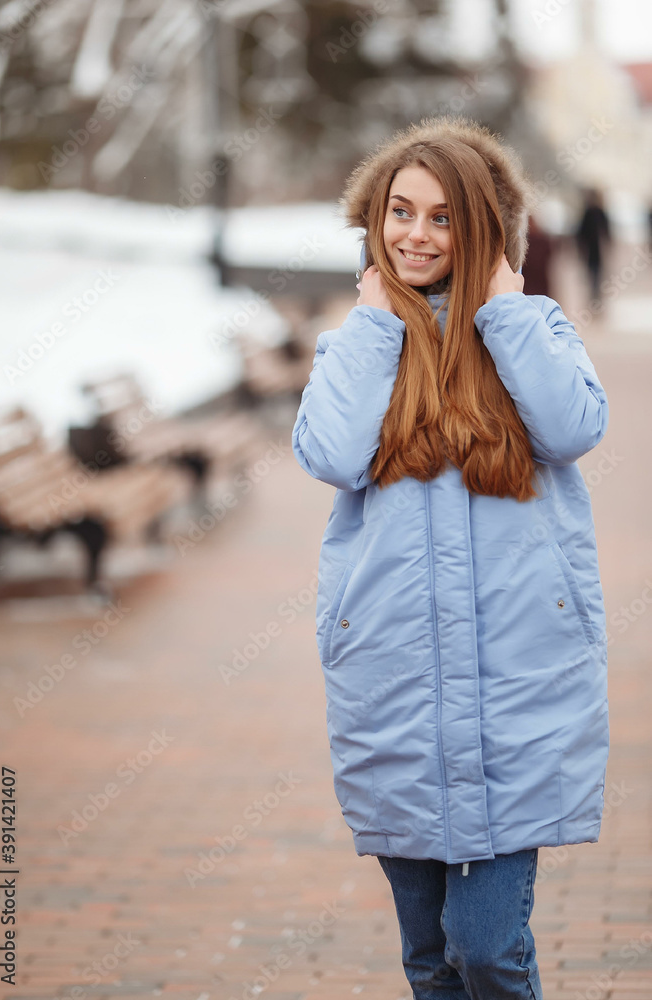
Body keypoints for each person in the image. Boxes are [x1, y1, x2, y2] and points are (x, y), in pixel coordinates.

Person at [291, 116, 610, 1000]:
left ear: (480, 230)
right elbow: (329, 453)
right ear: (375, 222)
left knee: (486, 946)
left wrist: (504, 310)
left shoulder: (529, 328)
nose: (416, 235)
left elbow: (573, 426)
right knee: (428, 956)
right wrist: (372, 324)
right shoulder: (360, 341)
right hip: (395, 684)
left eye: (442, 218)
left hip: (520, 685)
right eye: (401, 213)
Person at [575, 186, 611, 304]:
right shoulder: (591, 213)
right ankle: (594, 295)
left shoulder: (596, 212)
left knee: (595, 272)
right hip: (592, 249)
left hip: (595, 249)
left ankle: (595, 295)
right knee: (593, 272)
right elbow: (581, 234)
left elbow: (606, 231)